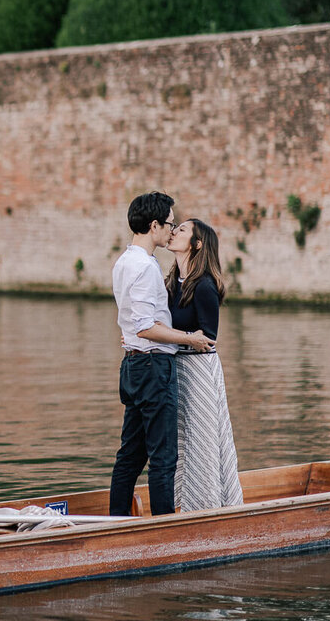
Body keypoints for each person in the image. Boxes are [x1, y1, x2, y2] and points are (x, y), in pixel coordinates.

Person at [109, 192, 214, 517]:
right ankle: (165, 530)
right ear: (153, 225)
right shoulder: (145, 267)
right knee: (163, 455)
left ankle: (117, 522)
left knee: (131, 455)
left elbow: (134, 326)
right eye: (169, 224)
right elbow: (145, 326)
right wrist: (190, 339)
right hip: (154, 367)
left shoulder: (125, 261)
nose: (171, 230)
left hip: (134, 366)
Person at [166, 219, 243, 512]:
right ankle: (180, 502)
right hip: (177, 367)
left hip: (198, 371)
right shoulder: (172, 282)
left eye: (182, 230)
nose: (174, 232)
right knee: (181, 437)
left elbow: (208, 338)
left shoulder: (205, 286)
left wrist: (178, 337)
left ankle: (206, 503)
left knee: (202, 437)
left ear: (197, 245)